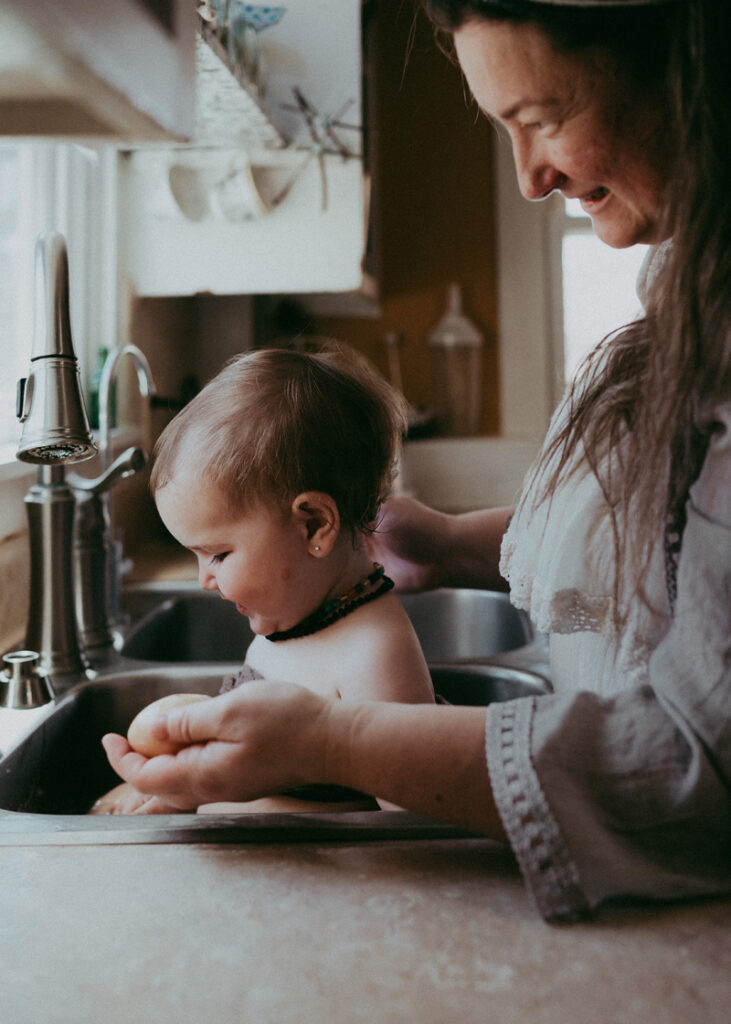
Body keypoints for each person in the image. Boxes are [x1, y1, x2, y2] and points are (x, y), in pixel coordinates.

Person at [102, 0, 731, 922]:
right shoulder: (700, 280)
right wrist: (453, 545)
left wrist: (326, 742)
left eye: (543, 119)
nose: (526, 178)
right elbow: (693, 541)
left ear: (692, 69)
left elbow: (697, 765)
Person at [94, 344, 434, 814]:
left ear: (314, 525)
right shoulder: (297, 611)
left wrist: (228, 806)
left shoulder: (375, 654)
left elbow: (409, 825)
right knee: (151, 732)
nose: (203, 581)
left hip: (315, 876)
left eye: (217, 554)